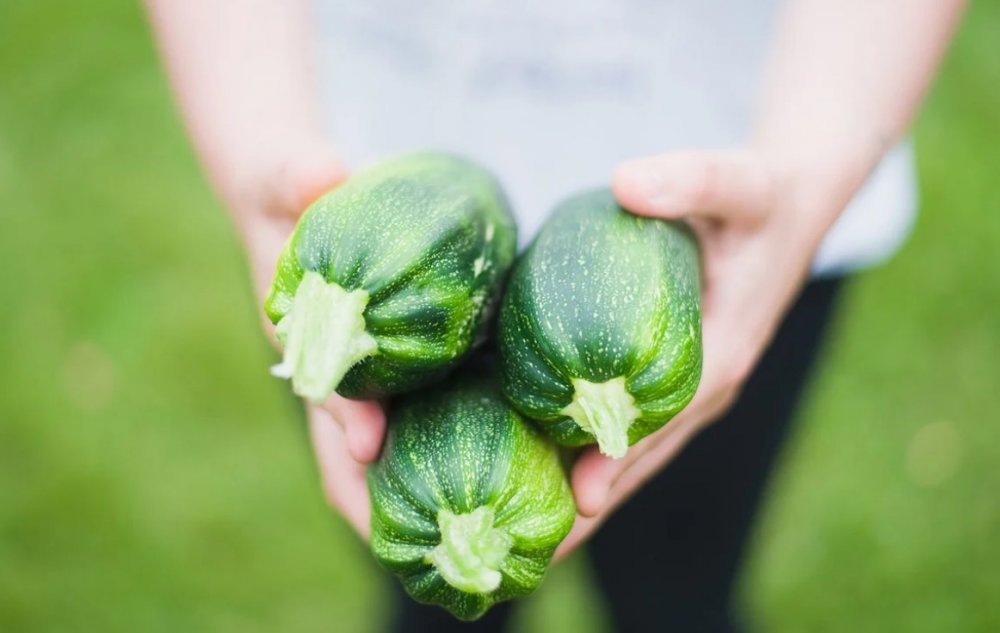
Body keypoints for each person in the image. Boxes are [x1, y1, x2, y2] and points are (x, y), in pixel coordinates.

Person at [146, 1, 964, 631]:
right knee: (435, 596)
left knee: (678, 588)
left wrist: (809, 173)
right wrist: (257, 140)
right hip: (375, 184)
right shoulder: (348, 273)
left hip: (749, 194)